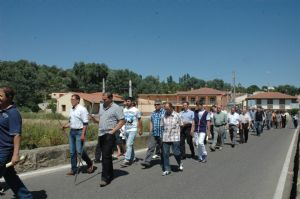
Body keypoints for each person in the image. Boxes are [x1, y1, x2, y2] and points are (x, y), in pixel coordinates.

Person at [0, 86, 33, 198]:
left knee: (10, 176)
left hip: (4, 151)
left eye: (0, 96)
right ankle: (26, 197)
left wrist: (16, 154)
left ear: (8, 98)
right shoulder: (2, 111)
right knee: (10, 177)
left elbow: (16, 135)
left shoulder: (13, 113)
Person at [90, 92, 125, 187]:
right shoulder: (101, 107)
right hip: (101, 133)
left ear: (111, 98)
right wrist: (93, 119)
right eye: (102, 99)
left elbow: (122, 121)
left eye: (105, 99)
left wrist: (112, 131)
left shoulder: (116, 108)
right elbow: (100, 121)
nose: (103, 101)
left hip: (109, 134)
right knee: (107, 156)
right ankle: (110, 174)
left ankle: (105, 178)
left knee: (105, 156)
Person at [62, 94, 94, 176]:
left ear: (78, 100)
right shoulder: (71, 109)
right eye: (71, 99)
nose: (71, 101)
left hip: (80, 132)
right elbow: (71, 122)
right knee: (72, 152)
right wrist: (65, 126)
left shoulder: (82, 109)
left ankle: (89, 163)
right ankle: (73, 169)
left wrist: (83, 134)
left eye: (73, 99)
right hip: (72, 132)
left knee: (79, 151)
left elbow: (85, 123)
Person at [141, 99, 164, 168]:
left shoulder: (164, 112)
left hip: (162, 133)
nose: (156, 106)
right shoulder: (153, 113)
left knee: (163, 148)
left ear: (161, 105)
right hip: (154, 133)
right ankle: (147, 162)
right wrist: (150, 131)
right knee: (150, 147)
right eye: (155, 104)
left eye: (158, 104)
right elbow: (151, 122)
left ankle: (164, 162)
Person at [161, 102, 183, 176]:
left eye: (167, 108)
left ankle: (180, 162)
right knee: (165, 154)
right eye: (165, 109)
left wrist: (179, 134)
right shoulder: (163, 116)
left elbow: (181, 125)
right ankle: (167, 169)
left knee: (176, 153)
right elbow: (162, 126)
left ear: (171, 107)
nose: (166, 110)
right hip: (166, 137)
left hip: (175, 137)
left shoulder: (177, 115)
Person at [121, 97, 143, 167]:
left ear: (132, 102)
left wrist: (140, 129)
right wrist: (121, 127)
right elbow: (123, 120)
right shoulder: (124, 110)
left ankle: (126, 160)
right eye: (126, 101)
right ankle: (133, 158)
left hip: (133, 129)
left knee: (128, 144)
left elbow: (139, 120)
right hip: (126, 129)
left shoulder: (136, 110)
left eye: (128, 101)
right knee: (130, 145)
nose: (127, 102)